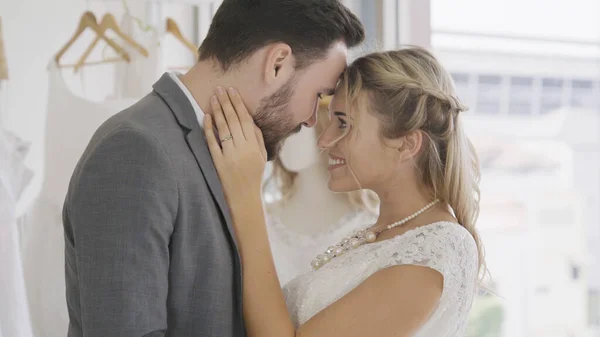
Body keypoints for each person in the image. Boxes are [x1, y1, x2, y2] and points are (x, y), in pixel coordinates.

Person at [61, 0, 365, 336]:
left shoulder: (231, 152)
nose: (311, 119)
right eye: (319, 94)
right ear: (277, 63)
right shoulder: (136, 150)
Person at [204, 46, 485, 337]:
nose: (324, 140)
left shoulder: (435, 249)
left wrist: (245, 196)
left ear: (406, 144)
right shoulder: (382, 232)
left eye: (343, 123)